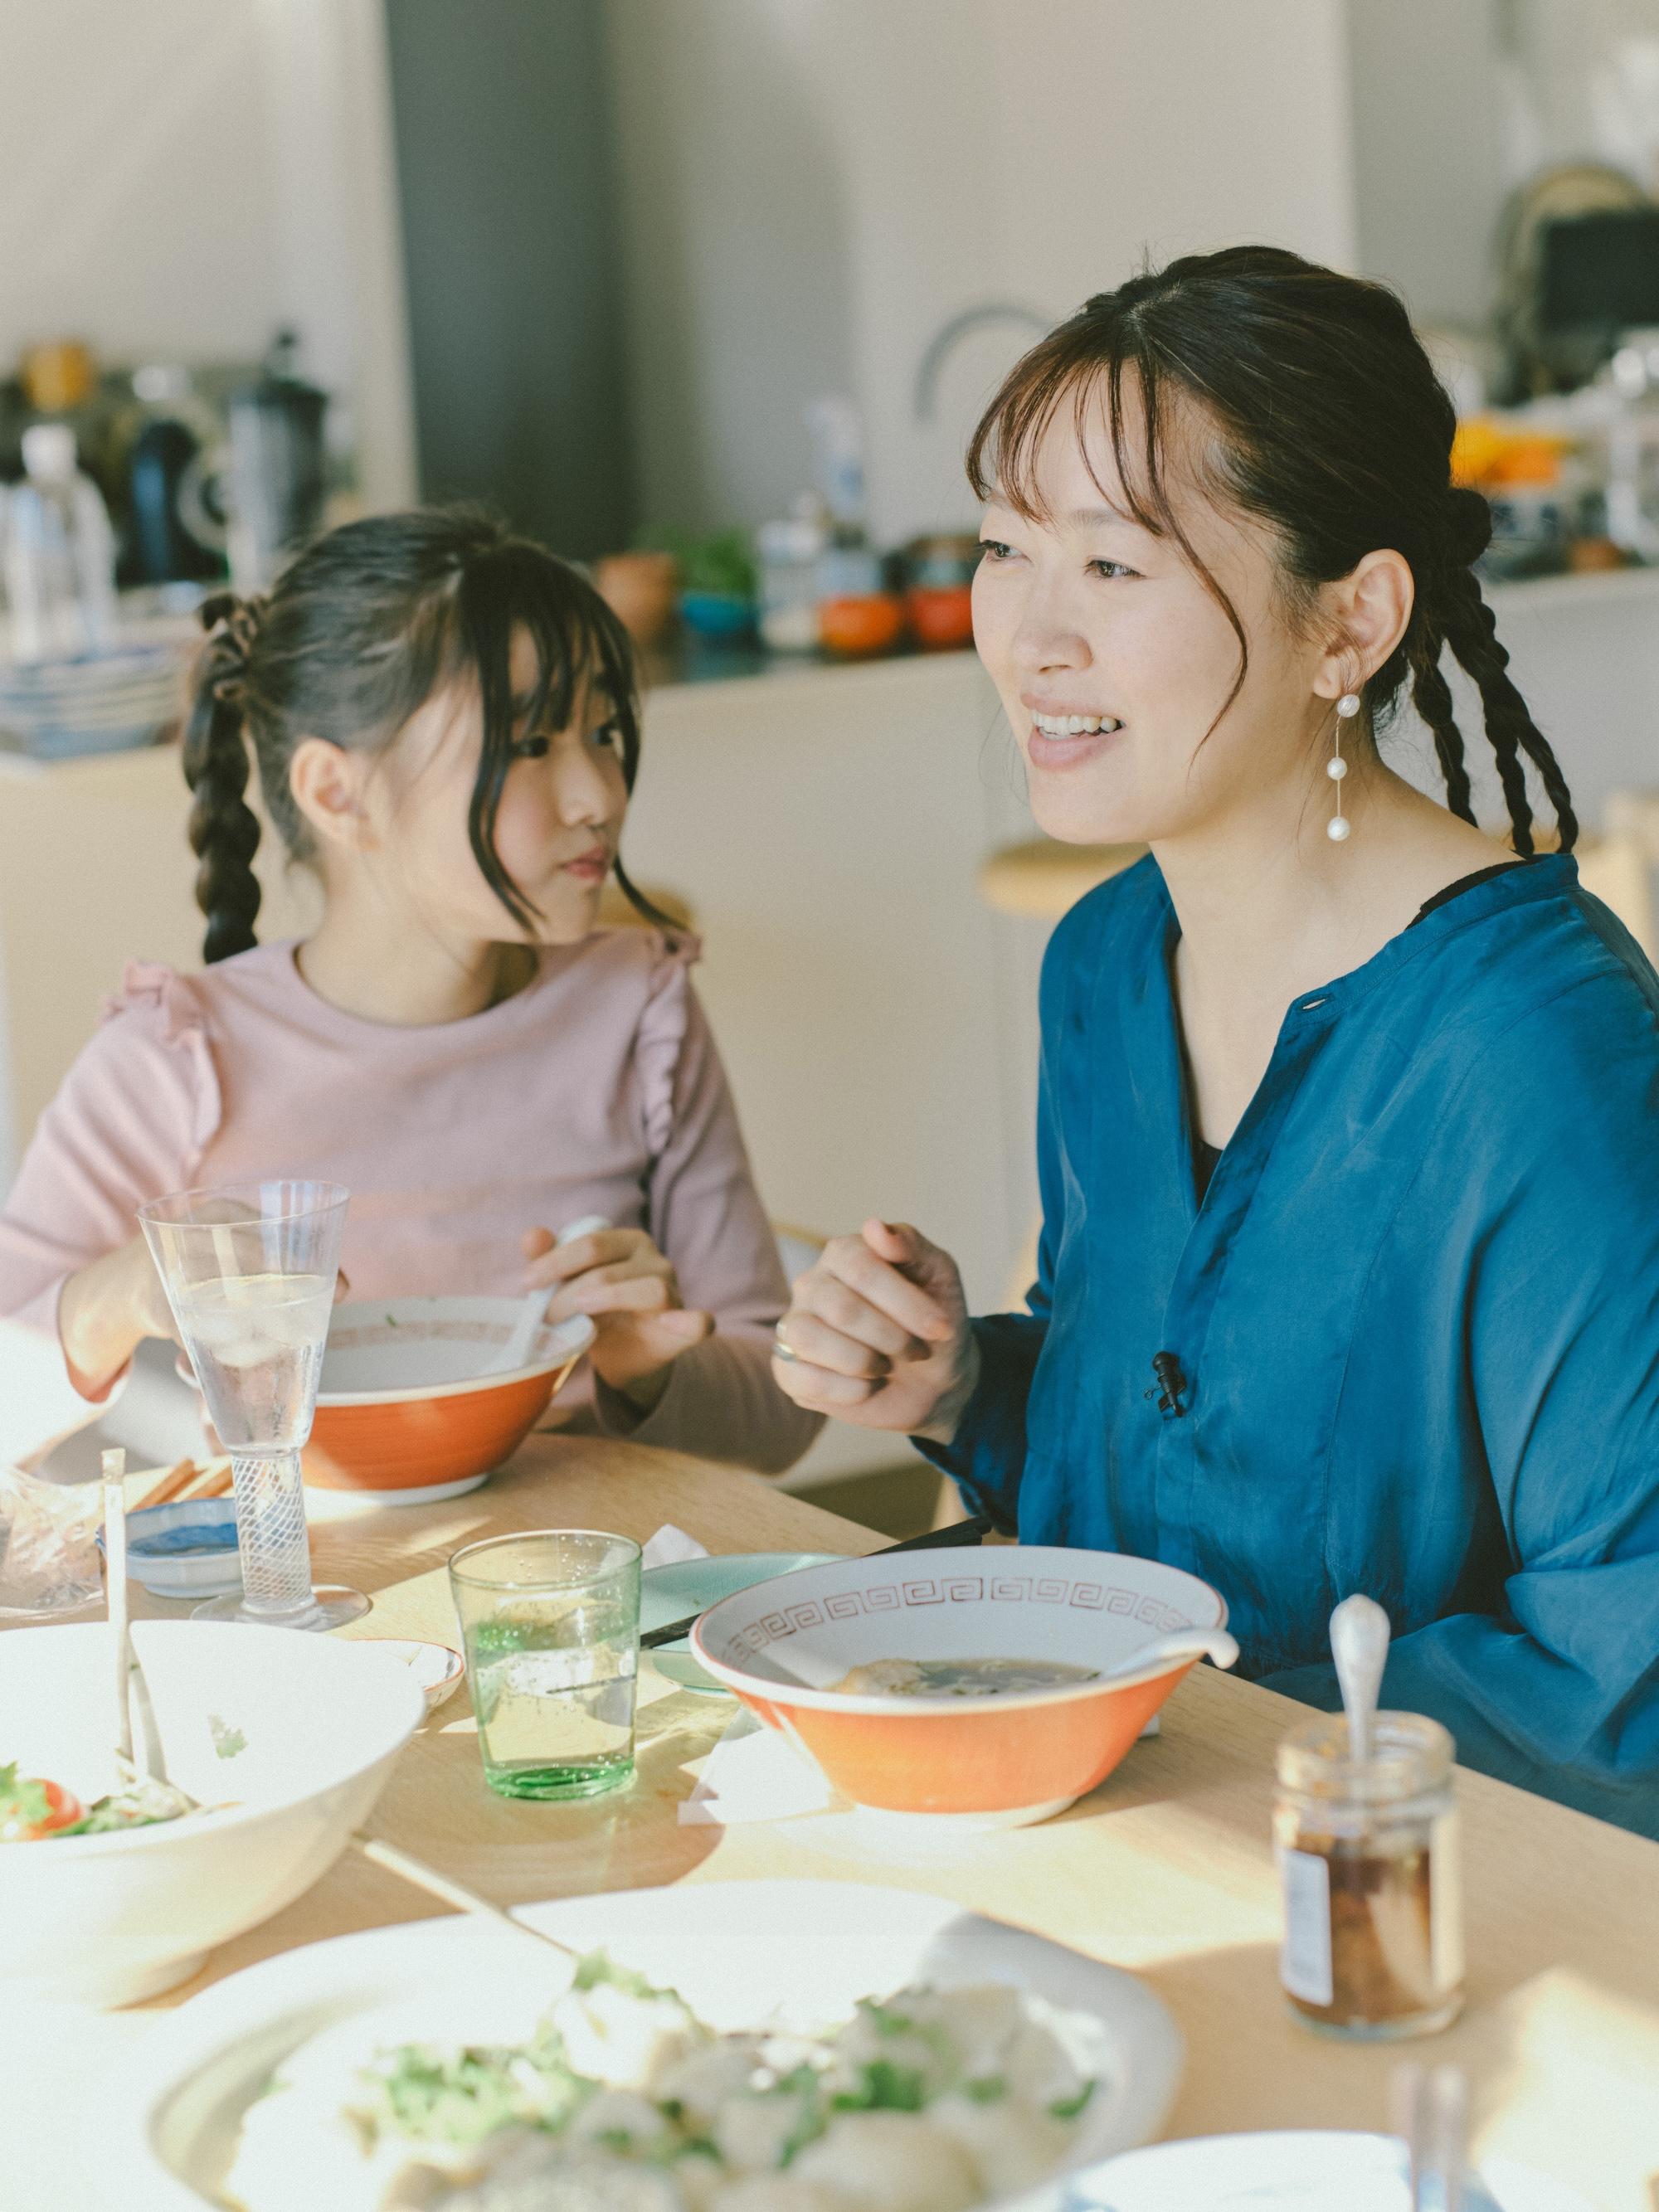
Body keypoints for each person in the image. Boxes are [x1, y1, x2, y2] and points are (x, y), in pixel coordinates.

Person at [770, 248, 1659, 1835]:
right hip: (1102, 1833)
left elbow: (1626, 1680)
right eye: (1003, 548)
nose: (1031, 638)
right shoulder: (1105, 963)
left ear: (1349, 622)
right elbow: (1159, 1472)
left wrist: (1169, 1740)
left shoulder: (1537, 1047)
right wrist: (970, 1383)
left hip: (1416, 1915)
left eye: (1115, 568)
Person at [0, 510, 818, 1475]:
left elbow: (779, 1414)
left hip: (592, 1591)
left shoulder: (636, 1012)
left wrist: (648, 1374)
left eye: (602, 731)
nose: (597, 792)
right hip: (313, 1604)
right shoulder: (175, 1057)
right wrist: (115, 1300)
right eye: (528, 744)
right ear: (337, 794)